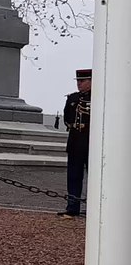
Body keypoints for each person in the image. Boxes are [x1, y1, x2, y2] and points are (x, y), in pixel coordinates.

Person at [59, 68, 92, 217]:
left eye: (83, 81)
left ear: (91, 81)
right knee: (73, 176)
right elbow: (67, 118)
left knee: (93, 176)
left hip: (91, 141)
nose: (79, 84)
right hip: (75, 141)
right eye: (78, 81)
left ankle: (92, 207)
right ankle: (73, 207)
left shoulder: (97, 98)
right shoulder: (72, 98)